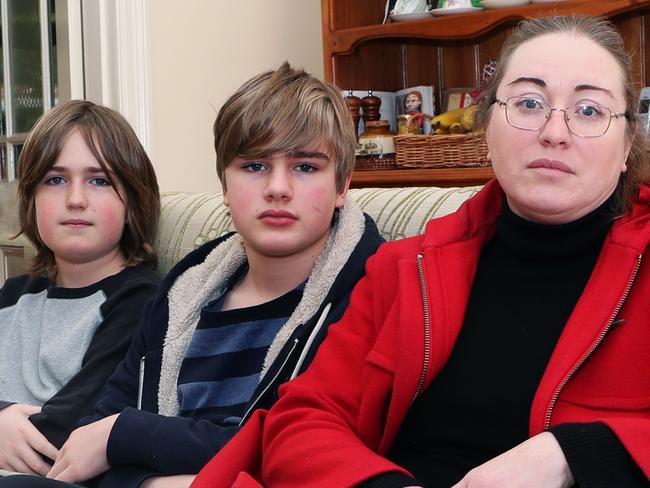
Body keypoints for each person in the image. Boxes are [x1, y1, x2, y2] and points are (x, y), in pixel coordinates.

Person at [193, 15, 650, 487]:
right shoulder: (404, 268)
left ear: (627, 145)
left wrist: (571, 454)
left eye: (590, 110)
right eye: (529, 103)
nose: (556, 131)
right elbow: (303, 418)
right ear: (486, 131)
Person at [9, 62, 383, 488]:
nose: (278, 188)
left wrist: (131, 437)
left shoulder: (372, 291)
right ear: (224, 184)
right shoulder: (182, 295)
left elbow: (305, 448)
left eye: (305, 167)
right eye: (255, 166)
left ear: (343, 185)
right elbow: (90, 439)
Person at [0, 101, 161, 477]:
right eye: (55, 180)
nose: (75, 199)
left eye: (99, 180)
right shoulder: (13, 295)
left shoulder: (140, 302)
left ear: (133, 200)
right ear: (31, 197)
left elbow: (65, 433)